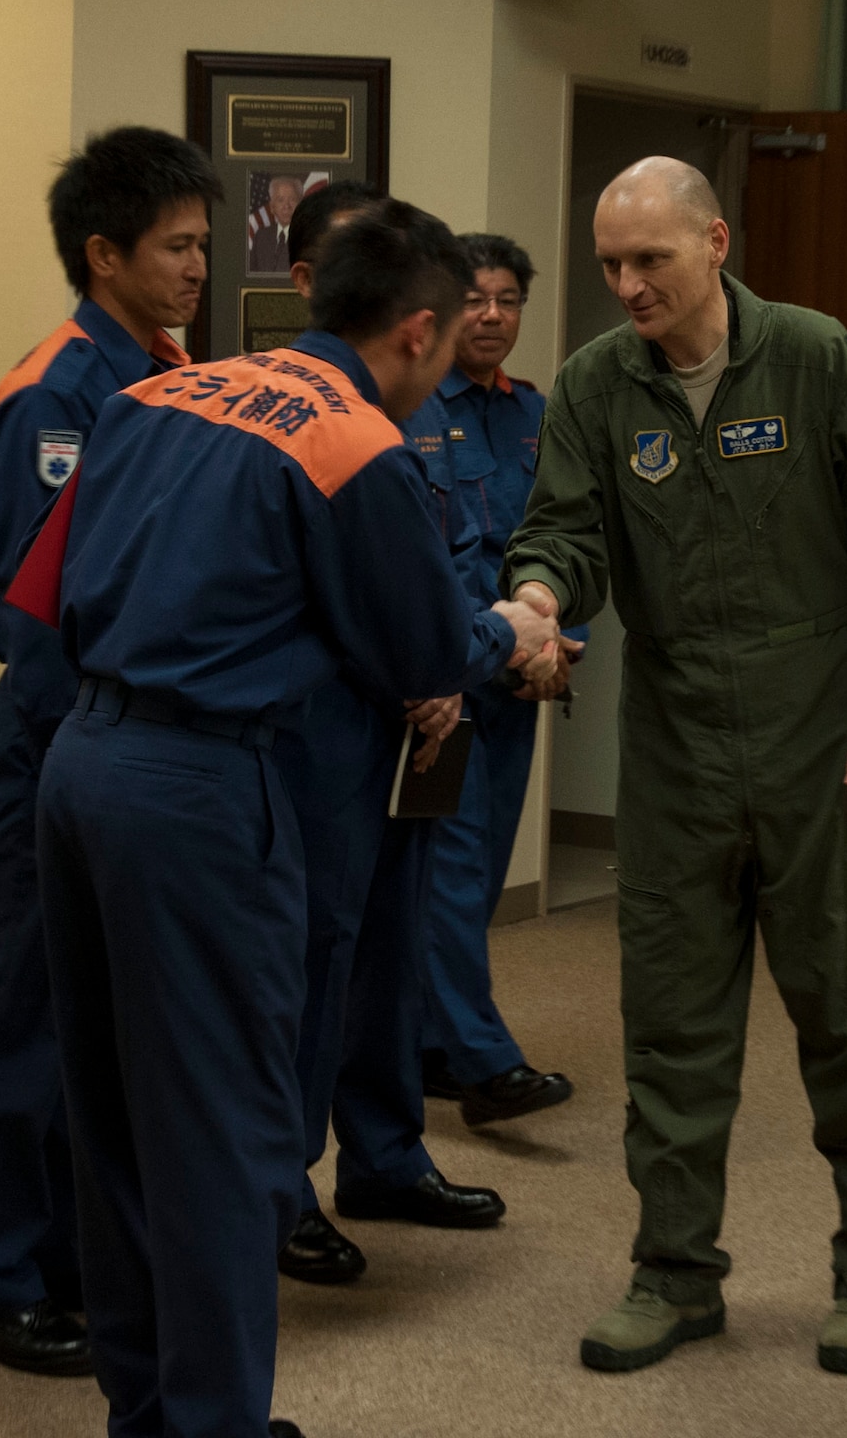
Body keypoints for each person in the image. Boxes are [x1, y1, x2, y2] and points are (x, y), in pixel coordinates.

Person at [21, 203, 559, 1438]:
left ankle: (146, 1407)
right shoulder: (353, 442)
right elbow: (422, 638)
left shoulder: (162, 392)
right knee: (218, 1127)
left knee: (108, 1110)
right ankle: (211, 1422)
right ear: (417, 329)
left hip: (82, 766)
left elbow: (60, 580)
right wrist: (510, 633)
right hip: (204, 792)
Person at [504, 157, 847, 1379]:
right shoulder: (598, 384)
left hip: (822, 733)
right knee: (671, 1027)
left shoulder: (811, 355)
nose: (627, 283)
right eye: (609, 262)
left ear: (715, 240)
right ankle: (674, 1272)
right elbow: (565, 529)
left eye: (649, 257)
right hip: (678, 740)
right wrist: (535, 599)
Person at [0, 127, 221, 1377]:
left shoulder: (167, 374)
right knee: (18, 1019)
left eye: (204, 244)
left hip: (125, 750)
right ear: (104, 254)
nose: (197, 268)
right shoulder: (55, 391)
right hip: (56, 750)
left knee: (91, 1029)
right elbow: (28, 608)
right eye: (176, 246)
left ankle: (64, 1255)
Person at [274, 185, 534, 1291]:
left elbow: (436, 557)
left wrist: (445, 659)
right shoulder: (289, 407)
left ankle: (385, 1156)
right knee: (306, 964)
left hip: (419, 722)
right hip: (327, 736)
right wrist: (452, 651)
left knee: (389, 954)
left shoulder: (428, 406)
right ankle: (281, 1186)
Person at [407, 235, 581, 1127]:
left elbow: (565, 537)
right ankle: (482, 1062)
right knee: (452, 869)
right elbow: (415, 562)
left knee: (473, 879)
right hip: (444, 689)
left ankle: (431, 1044)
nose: (492, 316)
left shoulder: (537, 415)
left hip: (519, 685)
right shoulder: (408, 408)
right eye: (475, 299)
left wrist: (558, 641)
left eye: (508, 300)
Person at [247, 174, 304, 275]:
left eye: (292, 199)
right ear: (272, 207)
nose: (286, 206)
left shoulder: (307, 238)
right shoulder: (261, 236)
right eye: (280, 200)